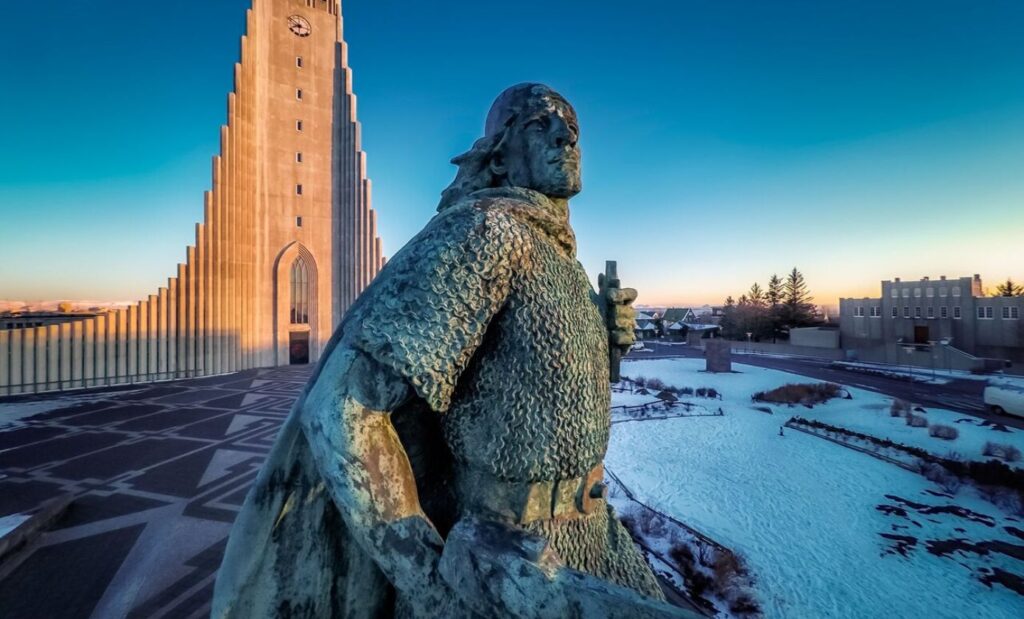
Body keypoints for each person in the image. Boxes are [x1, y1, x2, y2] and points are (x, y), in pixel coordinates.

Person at [212, 84, 691, 618]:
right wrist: (430, 585)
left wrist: (607, 345)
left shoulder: (559, 257)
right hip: (509, 556)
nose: (565, 137)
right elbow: (344, 410)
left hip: (592, 537)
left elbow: (546, 401)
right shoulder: (487, 232)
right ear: (498, 156)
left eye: (573, 130)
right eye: (539, 124)